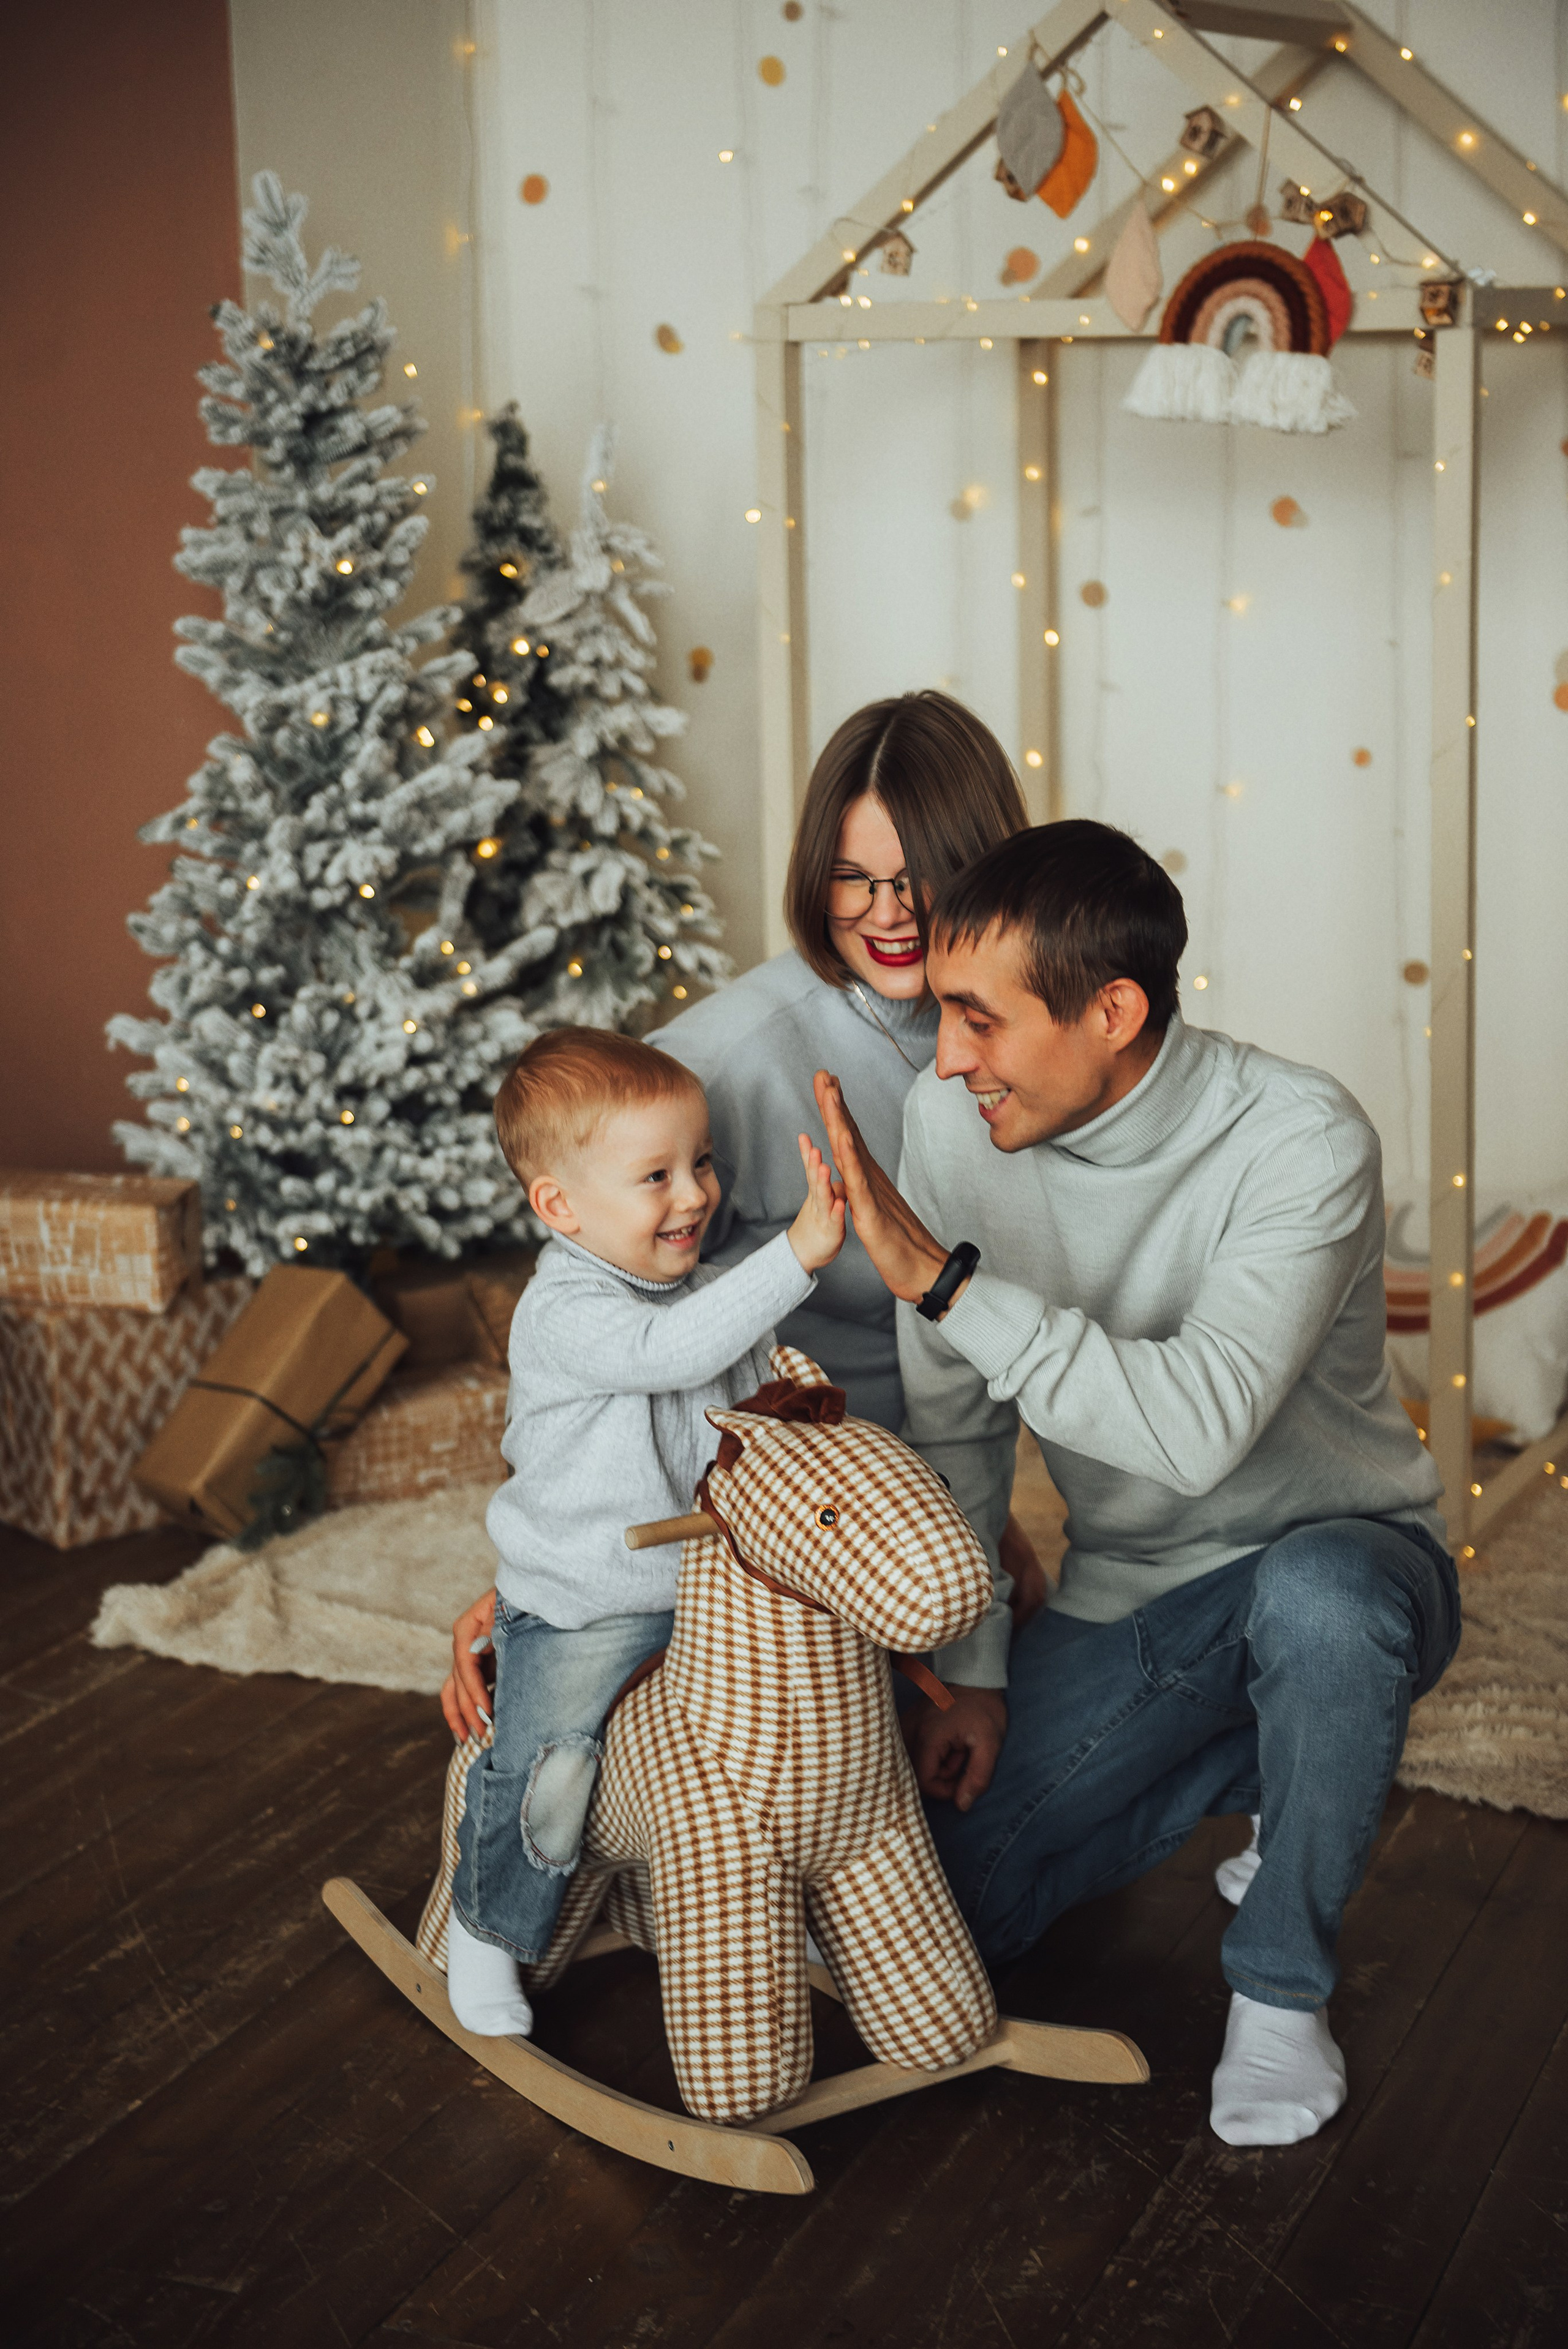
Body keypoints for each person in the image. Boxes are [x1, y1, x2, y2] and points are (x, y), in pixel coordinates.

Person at [813, 818, 1460, 2150]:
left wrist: (942, 1280)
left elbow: (1195, 1426)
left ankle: (1279, 1982)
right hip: (1138, 1596)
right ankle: (1287, 1754)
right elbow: (955, 1422)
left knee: (1320, 1605)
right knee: (936, 1912)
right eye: (941, 1014)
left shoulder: (1298, 1137)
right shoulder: (950, 1121)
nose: (944, 1058)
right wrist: (974, 1667)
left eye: (977, 1021)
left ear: (1110, 1009)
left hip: (1346, 1559)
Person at [442, 690, 1043, 1740]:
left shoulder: (1038, 1044)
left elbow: (981, 1363)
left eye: (917, 877)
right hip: (769, 1525)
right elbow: (598, 1339)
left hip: (927, 1501)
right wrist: (542, 1588)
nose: (887, 913)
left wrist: (976, 1569)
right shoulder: (711, 1068)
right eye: (852, 878)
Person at [444, 1025, 845, 2040]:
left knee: (794, 1724)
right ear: (561, 1208)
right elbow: (669, 1355)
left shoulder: (707, 1293)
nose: (696, 1193)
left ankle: (766, 1903)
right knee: (553, 1767)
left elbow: (751, 1394)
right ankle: (490, 1924)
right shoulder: (566, 1308)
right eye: (655, 1176)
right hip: (588, 1600)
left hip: (710, 1589)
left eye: (701, 1161)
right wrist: (797, 1252)